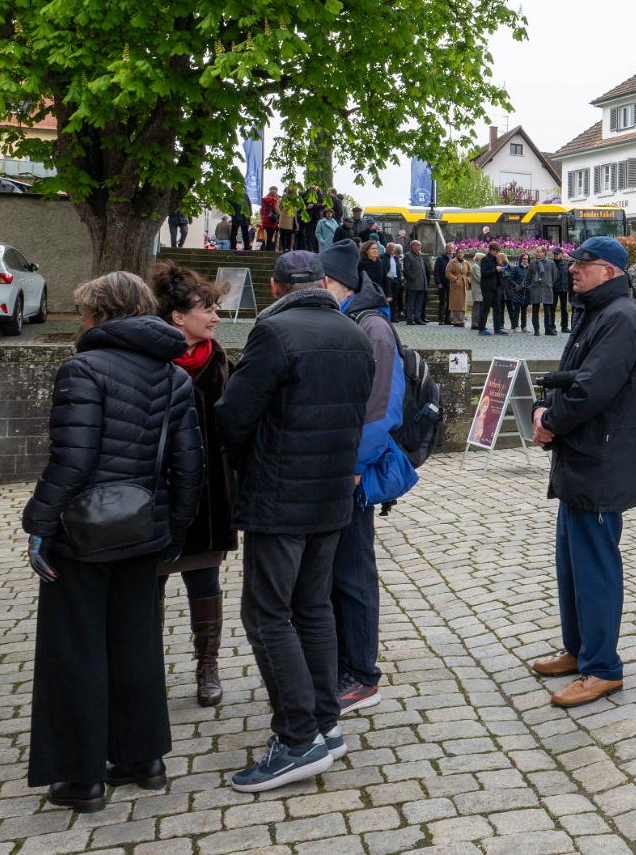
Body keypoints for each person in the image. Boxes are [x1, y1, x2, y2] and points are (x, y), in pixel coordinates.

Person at [23, 272, 203, 812]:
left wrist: (39, 523)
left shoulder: (82, 368)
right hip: (144, 528)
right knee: (137, 643)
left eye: (82, 311)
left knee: (76, 648)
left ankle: (81, 778)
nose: (79, 320)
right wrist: (176, 528)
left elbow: (72, 460)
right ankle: (142, 759)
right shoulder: (173, 376)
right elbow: (188, 464)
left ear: (100, 313)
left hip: (83, 531)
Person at [213, 250, 375, 792]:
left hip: (280, 497)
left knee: (267, 614)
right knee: (312, 608)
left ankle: (297, 736)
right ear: (321, 283)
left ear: (278, 287)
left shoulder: (274, 333)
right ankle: (325, 723)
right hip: (331, 496)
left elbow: (235, 415)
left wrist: (241, 458)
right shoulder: (353, 334)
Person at [529, 237, 636, 706]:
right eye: (574, 262)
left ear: (610, 271)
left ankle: (603, 667)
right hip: (580, 459)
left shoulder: (619, 317)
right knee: (572, 566)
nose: (573, 270)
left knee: (595, 568)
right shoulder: (595, 313)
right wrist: (543, 408)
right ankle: (579, 651)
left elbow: (593, 389)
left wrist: (550, 423)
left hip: (601, 463)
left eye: (584, 263)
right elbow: (569, 377)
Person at [316, 241, 417, 716]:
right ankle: (345, 666)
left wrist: (354, 467)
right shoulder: (355, 319)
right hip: (346, 467)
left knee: (354, 574)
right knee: (340, 572)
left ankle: (362, 675)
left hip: (356, 473)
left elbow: (381, 410)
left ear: (339, 285)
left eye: (324, 284)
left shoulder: (372, 326)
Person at [150, 263, 238, 708]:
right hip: (159, 491)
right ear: (178, 318)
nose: (216, 317)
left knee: (204, 578)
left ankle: (208, 666)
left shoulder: (221, 359)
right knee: (153, 584)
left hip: (209, 492)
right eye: (208, 309)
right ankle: (147, 669)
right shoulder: (150, 363)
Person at [481, 243, 508, 335]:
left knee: (498, 309)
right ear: (491, 250)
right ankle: (482, 329)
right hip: (487, 288)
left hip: (496, 288)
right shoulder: (485, 259)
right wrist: (495, 270)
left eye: (498, 251)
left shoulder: (496, 259)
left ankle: (497, 328)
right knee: (486, 308)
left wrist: (501, 267)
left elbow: (502, 272)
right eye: (496, 251)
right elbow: (484, 273)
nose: (497, 253)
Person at [532, 245, 558, 335]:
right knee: (535, 309)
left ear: (544, 253)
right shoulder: (532, 263)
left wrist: (549, 283)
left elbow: (555, 276)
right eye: (537, 252)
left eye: (539, 252)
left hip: (547, 288)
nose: (537, 253)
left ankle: (548, 329)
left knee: (547, 310)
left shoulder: (551, 263)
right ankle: (536, 330)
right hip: (536, 288)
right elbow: (528, 276)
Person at [402, 240, 429, 326]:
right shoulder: (408, 256)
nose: (419, 246)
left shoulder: (420, 256)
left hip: (421, 283)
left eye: (420, 245)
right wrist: (413, 278)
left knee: (419, 302)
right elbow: (406, 270)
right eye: (418, 245)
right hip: (413, 284)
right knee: (411, 302)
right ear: (412, 246)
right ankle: (409, 318)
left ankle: (418, 318)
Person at [507, 252, 531, 333]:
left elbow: (532, 279)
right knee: (516, 310)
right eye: (524, 258)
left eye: (527, 258)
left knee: (524, 310)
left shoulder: (530, 269)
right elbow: (510, 279)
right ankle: (515, 326)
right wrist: (516, 285)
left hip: (526, 293)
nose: (525, 260)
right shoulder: (516, 268)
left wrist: (530, 287)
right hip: (517, 292)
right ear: (521, 259)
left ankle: (524, 326)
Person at [446, 249, 471, 327]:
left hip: (464, 285)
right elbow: (448, 273)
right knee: (456, 303)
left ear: (463, 254)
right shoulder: (452, 262)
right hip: (456, 285)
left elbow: (469, 273)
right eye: (458, 253)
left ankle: (461, 320)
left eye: (462, 253)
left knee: (463, 303)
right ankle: (457, 321)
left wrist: (467, 280)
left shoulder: (466, 263)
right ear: (456, 254)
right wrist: (455, 279)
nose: (460, 254)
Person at [433, 244, 455, 326]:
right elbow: (436, 271)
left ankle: (447, 319)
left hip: (452, 284)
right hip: (442, 283)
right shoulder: (440, 258)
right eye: (449, 248)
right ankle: (441, 319)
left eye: (452, 248)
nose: (450, 250)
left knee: (450, 302)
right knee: (442, 301)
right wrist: (438, 282)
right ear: (446, 249)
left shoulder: (454, 258)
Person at [552, 247, 573, 332]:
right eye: (554, 254)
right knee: (552, 308)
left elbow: (569, 276)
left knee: (564, 309)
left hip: (563, 289)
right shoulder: (551, 263)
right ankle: (552, 327)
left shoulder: (566, 264)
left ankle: (564, 327)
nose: (555, 255)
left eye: (557, 254)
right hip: (553, 289)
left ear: (561, 254)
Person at [260, 186, 281, 252]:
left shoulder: (264, 199)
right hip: (272, 220)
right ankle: (270, 250)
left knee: (268, 235)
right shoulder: (274, 200)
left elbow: (261, 210)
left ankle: (267, 249)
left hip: (265, 220)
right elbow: (276, 210)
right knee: (272, 236)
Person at [469, 251, 485, 331]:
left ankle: (478, 323)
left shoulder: (479, 266)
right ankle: (475, 324)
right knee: (476, 308)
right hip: (477, 290)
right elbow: (479, 278)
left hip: (480, 290)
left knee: (480, 308)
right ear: (479, 259)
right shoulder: (475, 266)